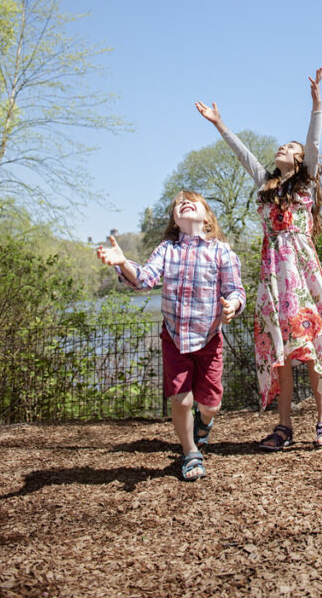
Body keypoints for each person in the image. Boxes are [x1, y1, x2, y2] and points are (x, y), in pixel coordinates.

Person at [196, 68, 322, 450]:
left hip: (301, 271)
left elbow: (313, 144)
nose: (282, 149)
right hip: (272, 273)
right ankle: (283, 427)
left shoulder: (304, 182)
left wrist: (317, 104)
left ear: (300, 163)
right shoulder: (266, 185)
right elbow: (243, 155)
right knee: (281, 350)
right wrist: (220, 125)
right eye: (282, 147)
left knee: (313, 345)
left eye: (290, 149)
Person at [96, 190, 246, 481]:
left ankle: (204, 424)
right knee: (182, 401)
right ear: (175, 221)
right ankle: (191, 453)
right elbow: (143, 280)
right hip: (175, 340)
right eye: (179, 204)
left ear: (207, 216)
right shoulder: (168, 249)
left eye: (192, 201)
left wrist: (233, 306)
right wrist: (122, 262)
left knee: (211, 405)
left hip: (209, 339)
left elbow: (235, 290)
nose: (184, 203)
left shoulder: (222, 251)